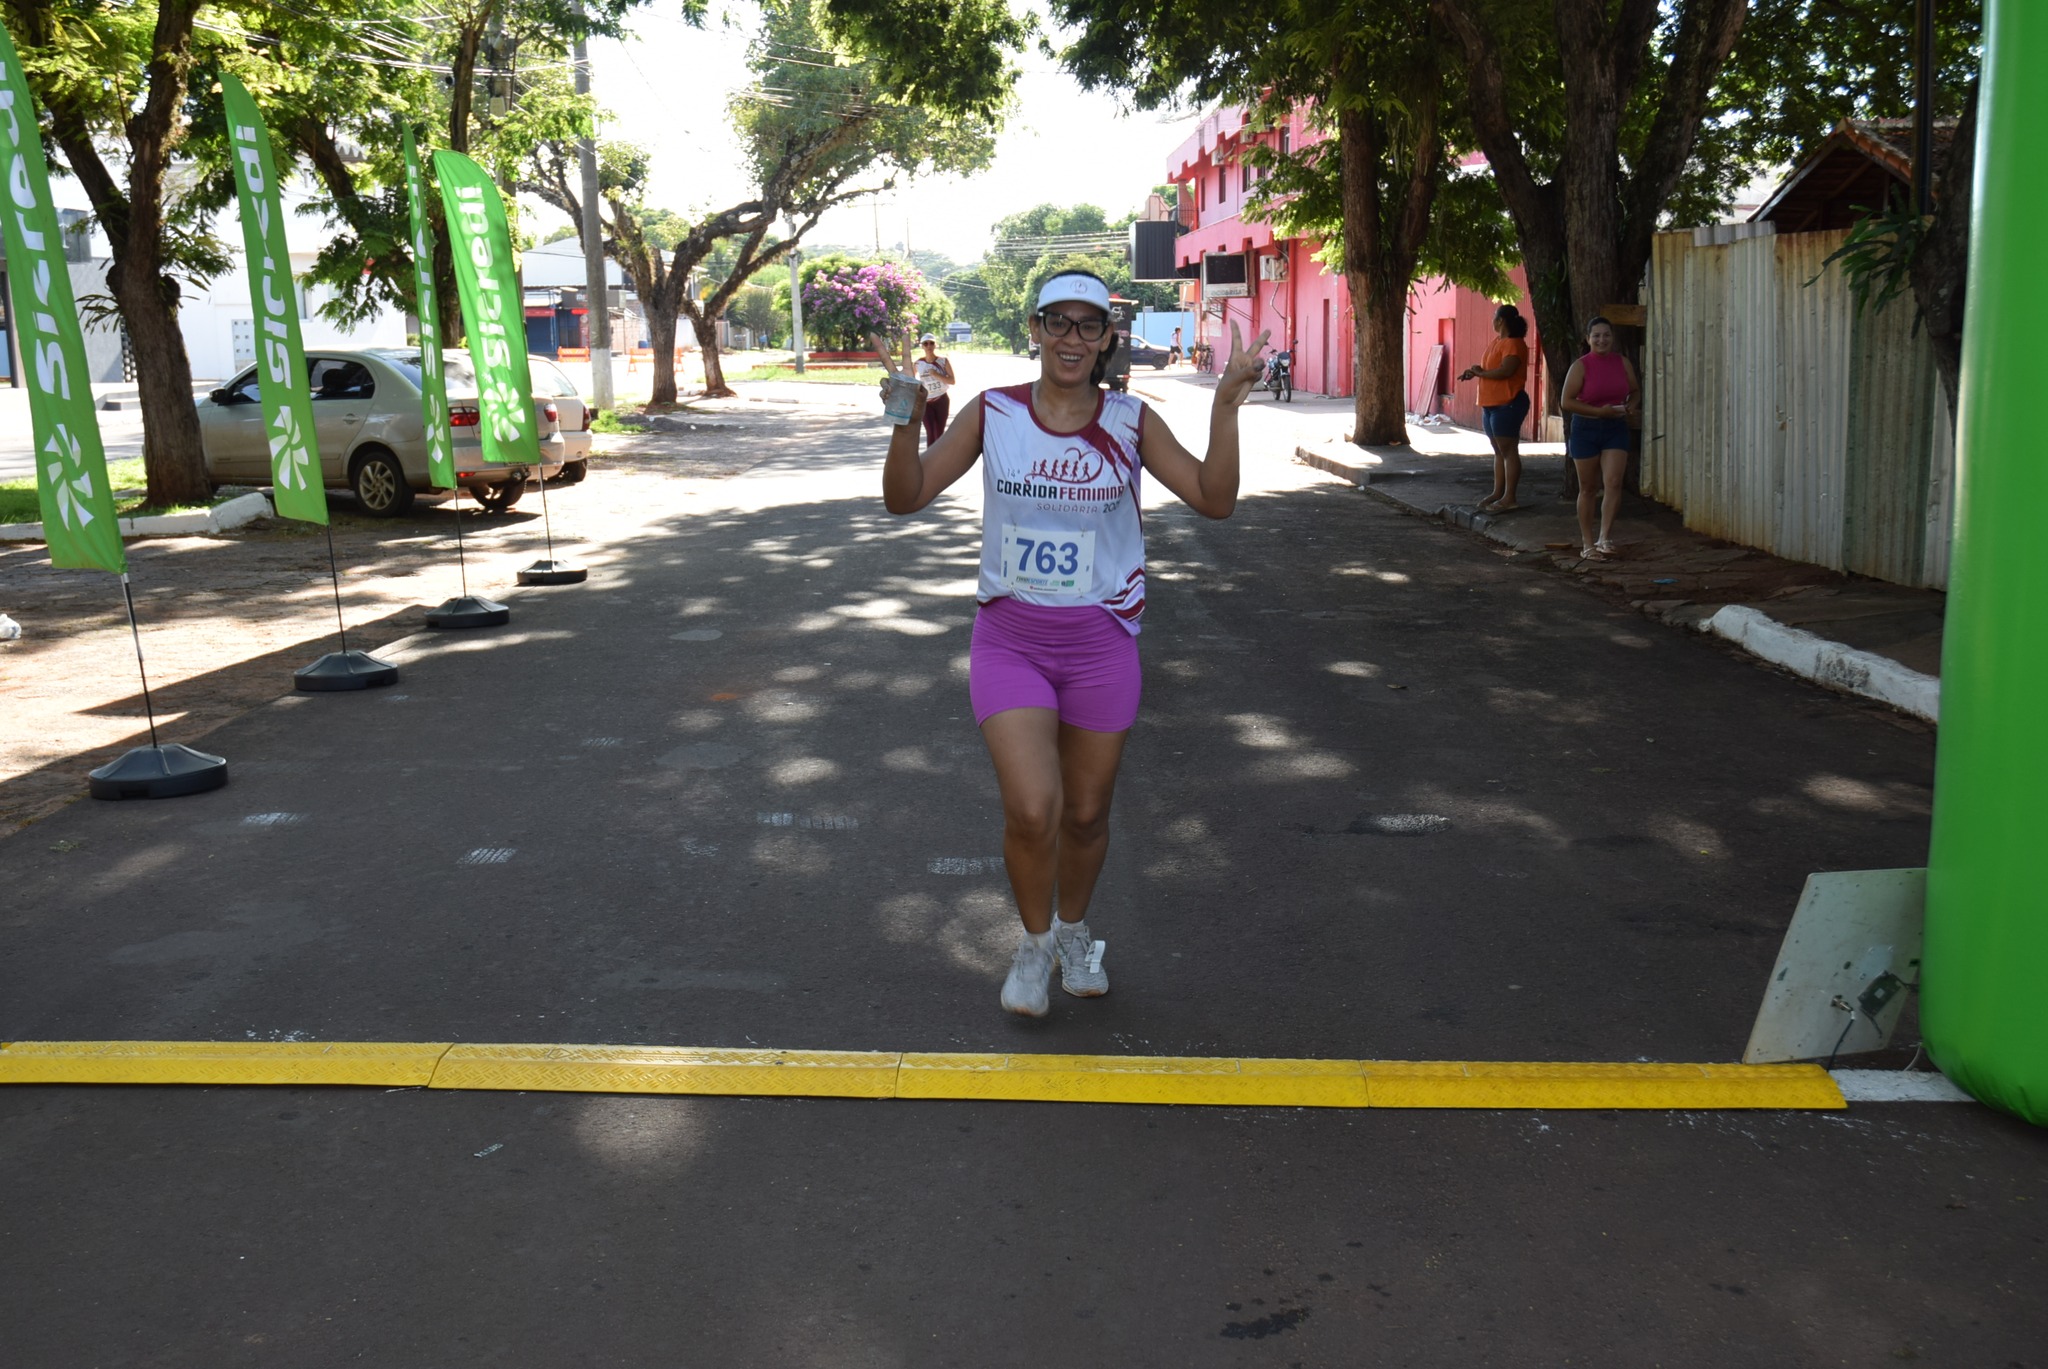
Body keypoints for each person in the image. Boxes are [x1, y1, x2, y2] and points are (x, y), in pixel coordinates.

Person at [878, 270, 1268, 1017]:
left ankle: (1075, 930)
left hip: (1101, 643)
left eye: (1090, 326)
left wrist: (1225, 408)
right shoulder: (994, 414)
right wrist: (905, 407)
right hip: (1011, 640)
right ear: (1035, 328)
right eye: (1059, 321)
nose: (1072, 338)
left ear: (1106, 340)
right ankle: (1032, 944)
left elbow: (1214, 500)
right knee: (1034, 807)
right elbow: (905, 496)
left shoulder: (1129, 421)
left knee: (1087, 813)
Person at [1558, 315, 1640, 559]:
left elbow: (1635, 391)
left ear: (1612, 338)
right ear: (1588, 339)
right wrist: (1597, 411)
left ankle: (1605, 537)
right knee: (1588, 488)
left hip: (1615, 427)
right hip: (1586, 428)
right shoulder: (1581, 366)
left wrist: (1631, 406)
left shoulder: (1622, 362)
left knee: (1614, 482)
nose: (1602, 340)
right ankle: (1587, 543)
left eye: (1606, 335)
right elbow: (1566, 401)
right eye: (1596, 336)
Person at [1459, 304, 1531, 513]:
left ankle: (1510, 497)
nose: (1492, 321)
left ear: (1500, 321)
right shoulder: (1496, 342)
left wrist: (1481, 374)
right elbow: (1491, 370)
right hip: (1491, 403)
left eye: (1494, 317)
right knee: (1498, 451)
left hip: (1508, 402)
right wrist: (1476, 372)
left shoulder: (1514, 344)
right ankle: (1498, 493)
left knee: (1508, 450)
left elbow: (1506, 371)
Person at [913, 333, 955, 446]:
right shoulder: (918, 363)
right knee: (930, 432)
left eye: (931, 343)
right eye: (925, 344)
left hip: (941, 399)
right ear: (922, 346)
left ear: (935, 345)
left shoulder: (943, 361)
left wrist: (937, 375)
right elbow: (910, 380)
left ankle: (940, 460)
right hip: (926, 402)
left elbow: (952, 380)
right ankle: (930, 461)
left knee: (939, 433)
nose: (928, 346)